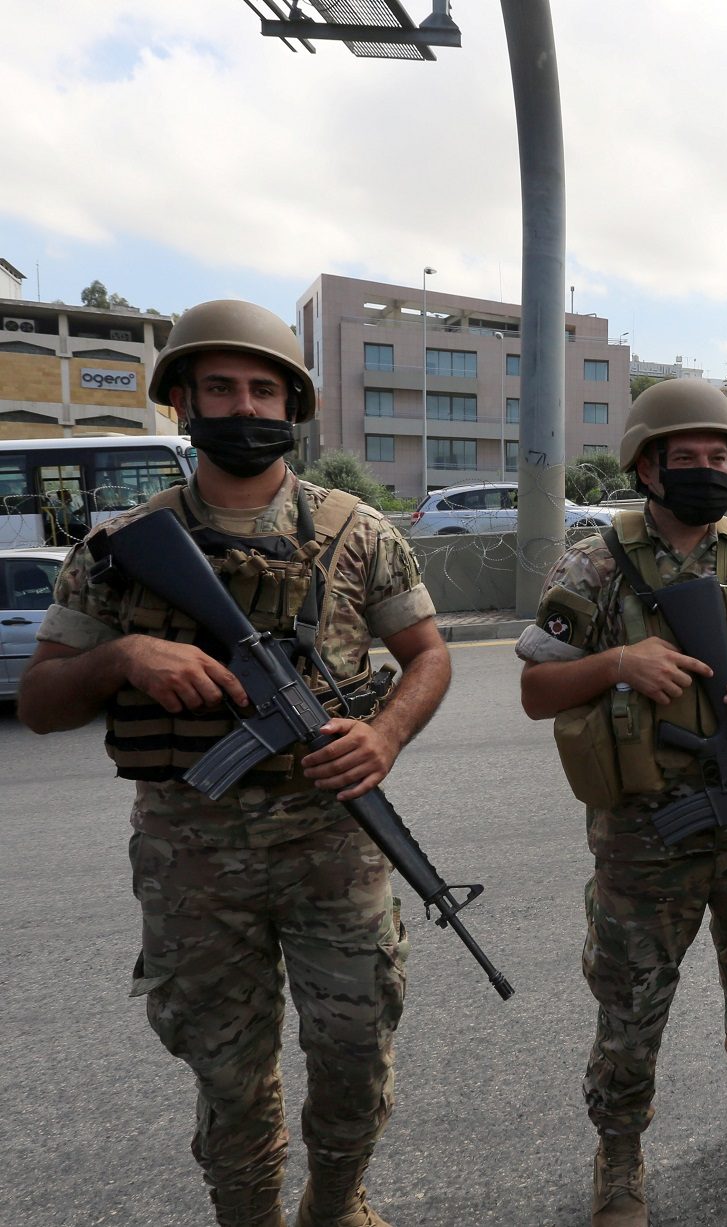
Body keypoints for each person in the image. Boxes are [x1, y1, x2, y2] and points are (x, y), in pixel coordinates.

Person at [17, 299, 449, 1227]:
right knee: (228, 1071)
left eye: (264, 388)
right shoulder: (120, 552)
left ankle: (334, 1205)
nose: (245, 405)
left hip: (335, 849)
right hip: (193, 861)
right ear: (182, 401)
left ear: (292, 405)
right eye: (221, 386)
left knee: (355, 1049)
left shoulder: (359, 533)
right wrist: (123, 656)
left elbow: (429, 654)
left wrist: (385, 736)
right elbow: (41, 703)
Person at [517, 379, 727, 1226]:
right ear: (647, 466)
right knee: (632, 997)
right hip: (645, 831)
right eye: (686, 457)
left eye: (719, 456)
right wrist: (621, 663)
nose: (707, 469)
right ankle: (619, 1149)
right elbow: (537, 687)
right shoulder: (593, 558)